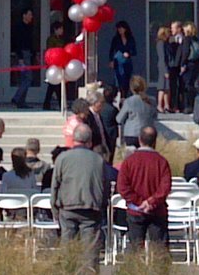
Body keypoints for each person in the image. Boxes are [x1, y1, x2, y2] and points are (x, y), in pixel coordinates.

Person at [116, 124, 174, 254]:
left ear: (139, 139)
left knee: (135, 249)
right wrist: (151, 201)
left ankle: (134, 273)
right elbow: (165, 187)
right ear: (155, 141)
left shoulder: (129, 161)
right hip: (157, 210)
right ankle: (160, 273)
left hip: (136, 211)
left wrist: (138, 202)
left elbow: (122, 186)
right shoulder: (161, 161)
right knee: (160, 250)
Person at [48, 127, 110, 247]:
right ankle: (89, 266)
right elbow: (105, 186)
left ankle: (68, 266)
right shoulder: (98, 160)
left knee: (67, 245)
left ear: (73, 139)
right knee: (90, 248)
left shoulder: (62, 158)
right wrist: (102, 206)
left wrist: (55, 209)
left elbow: (55, 185)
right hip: (91, 208)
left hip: (67, 207)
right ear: (90, 142)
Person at [10, 8, 41, 109]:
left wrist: (35, 54)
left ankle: (21, 102)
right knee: (28, 78)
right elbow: (18, 43)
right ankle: (16, 98)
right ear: (24, 15)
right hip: (22, 55)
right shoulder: (19, 27)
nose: (31, 17)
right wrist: (20, 58)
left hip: (28, 54)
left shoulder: (29, 27)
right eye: (29, 14)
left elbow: (30, 42)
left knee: (24, 78)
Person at [116, 75, 158, 143]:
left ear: (132, 88)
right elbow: (155, 116)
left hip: (131, 133)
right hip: (147, 134)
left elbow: (119, 119)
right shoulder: (152, 100)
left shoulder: (129, 101)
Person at [108, 20, 139, 92]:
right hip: (118, 61)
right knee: (118, 79)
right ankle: (119, 94)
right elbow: (111, 50)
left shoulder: (130, 39)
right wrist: (111, 60)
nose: (119, 30)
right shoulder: (116, 39)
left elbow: (134, 51)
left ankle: (125, 95)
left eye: (121, 28)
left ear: (125, 29)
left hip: (127, 62)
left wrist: (129, 53)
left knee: (127, 79)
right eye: (118, 29)